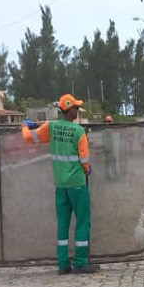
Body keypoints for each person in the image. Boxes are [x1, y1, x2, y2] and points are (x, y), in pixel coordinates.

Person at [21, 94, 99, 275]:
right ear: (69, 110)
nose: (78, 111)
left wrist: (25, 127)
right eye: (76, 108)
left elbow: (29, 138)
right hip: (77, 184)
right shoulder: (79, 131)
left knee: (63, 224)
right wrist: (87, 169)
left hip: (60, 185)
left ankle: (63, 264)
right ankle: (80, 262)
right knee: (82, 221)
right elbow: (84, 159)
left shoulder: (51, 127)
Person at [102, 115, 117, 180]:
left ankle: (107, 176)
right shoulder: (109, 130)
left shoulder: (104, 130)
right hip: (109, 149)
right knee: (112, 162)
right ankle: (114, 176)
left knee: (107, 163)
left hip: (106, 149)